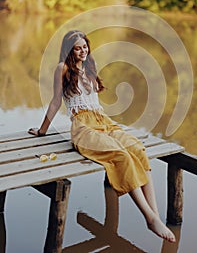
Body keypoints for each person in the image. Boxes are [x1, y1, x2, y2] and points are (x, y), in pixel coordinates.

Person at [28, 30, 176, 243]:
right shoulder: (63, 68)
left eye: (85, 46)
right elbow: (55, 101)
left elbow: (93, 100)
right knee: (120, 155)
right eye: (77, 47)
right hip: (83, 127)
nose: (83, 50)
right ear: (69, 50)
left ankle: (155, 215)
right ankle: (149, 217)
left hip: (103, 121)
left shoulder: (90, 66)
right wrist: (42, 131)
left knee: (136, 149)